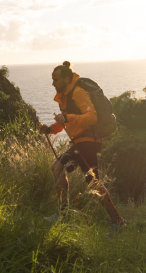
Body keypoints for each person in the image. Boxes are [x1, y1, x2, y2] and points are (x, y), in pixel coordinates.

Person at [39, 61, 125, 235]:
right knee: (91, 183)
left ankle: (64, 214)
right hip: (80, 142)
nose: (53, 83)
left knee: (61, 169)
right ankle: (117, 220)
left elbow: (91, 117)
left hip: (87, 142)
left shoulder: (78, 92)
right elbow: (66, 122)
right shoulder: (65, 96)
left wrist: (67, 118)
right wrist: (50, 129)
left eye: (56, 79)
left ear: (65, 79)